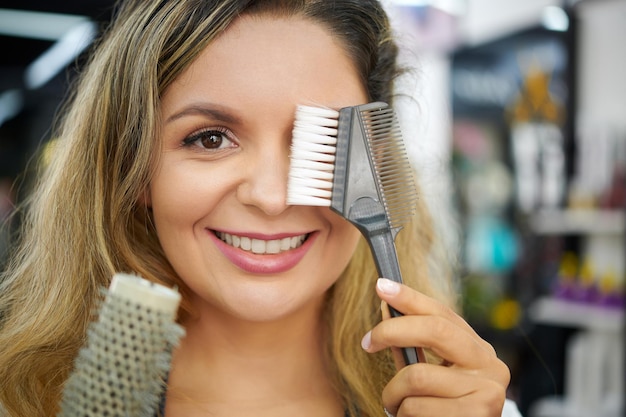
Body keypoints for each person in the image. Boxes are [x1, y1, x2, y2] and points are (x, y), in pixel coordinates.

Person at [0, 1, 520, 416]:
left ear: (374, 166)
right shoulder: (28, 403)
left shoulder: (458, 407)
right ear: (136, 169)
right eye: (209, 139)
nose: (272, 198)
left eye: (320, 140)